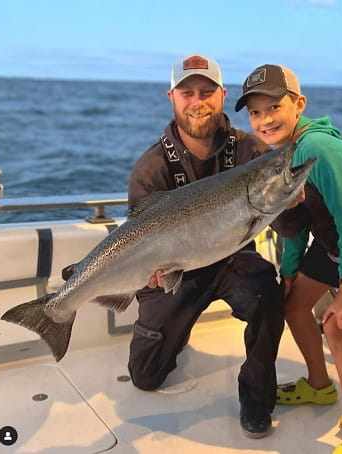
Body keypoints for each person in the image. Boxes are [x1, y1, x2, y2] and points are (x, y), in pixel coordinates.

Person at [235, 64, 342, 453]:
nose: (264, 120)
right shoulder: (286, 152)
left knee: (337, 328)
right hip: (334, 237)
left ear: (299, 104)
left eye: (274, 107)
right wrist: (290, 271)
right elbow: (298, 223)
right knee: (294, 306)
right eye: (255, 112)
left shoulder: (317, 148)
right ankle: (319, 386)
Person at [127, 55, 292, 439]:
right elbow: (135, 236)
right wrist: (149, 272)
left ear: (222, 96)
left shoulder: (251, 151)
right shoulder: (151, 168)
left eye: (206, 92)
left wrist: (293, 206)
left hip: (234, 259)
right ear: (172, 97)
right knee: (145, 378)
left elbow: (281, 216)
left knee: (268, 293)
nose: (197, 101)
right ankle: (175, 332)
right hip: (174, 273)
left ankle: (257, 397)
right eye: (187, 92)